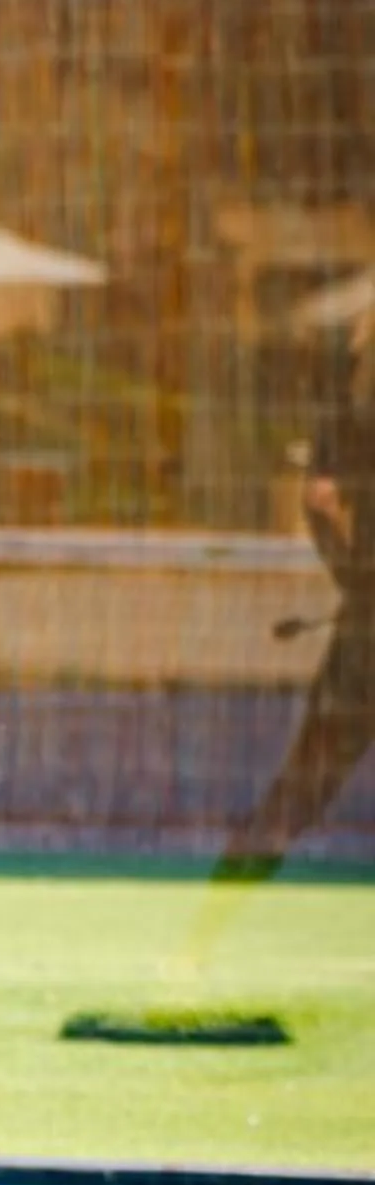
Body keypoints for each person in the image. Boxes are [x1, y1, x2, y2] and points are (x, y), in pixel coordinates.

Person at [214, 299, 375, 883]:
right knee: (299, 790)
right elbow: (322, 501)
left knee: (298, 792)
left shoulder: (345, 414)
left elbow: (322, 503)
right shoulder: (347, 419)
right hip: (363, 641)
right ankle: (204, 933)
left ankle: (202, 937)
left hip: (362, 637)